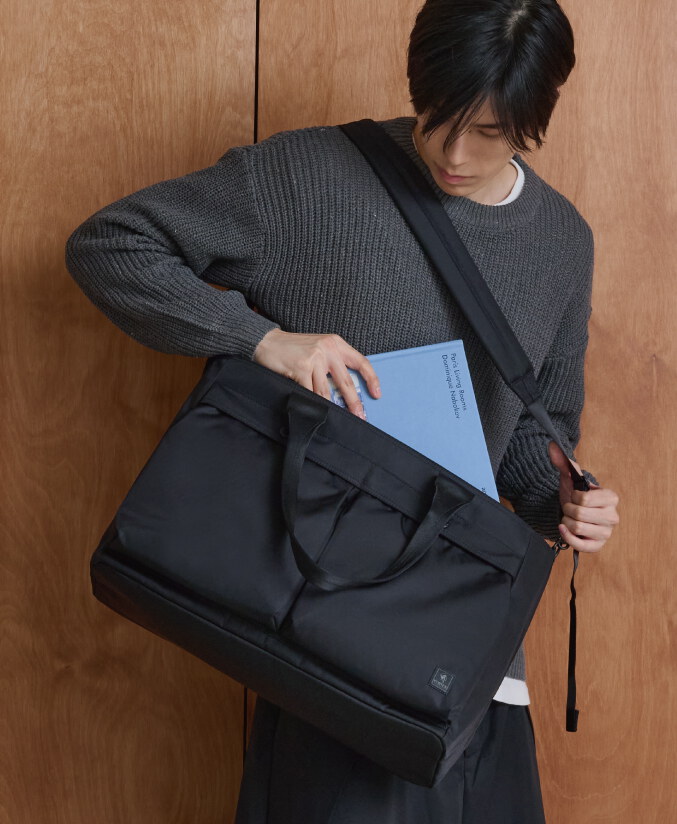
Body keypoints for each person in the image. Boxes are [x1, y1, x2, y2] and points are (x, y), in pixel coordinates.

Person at [65, 0, 620, 820]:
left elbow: (530, 445)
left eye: (490, 132)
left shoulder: (562, 243)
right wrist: (260, 339)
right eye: (437, 118)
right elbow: (110, 246)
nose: (454, 154)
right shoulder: (307, 178)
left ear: (536, 118)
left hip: (470, 653)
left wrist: (567, 502)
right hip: (329, 636)